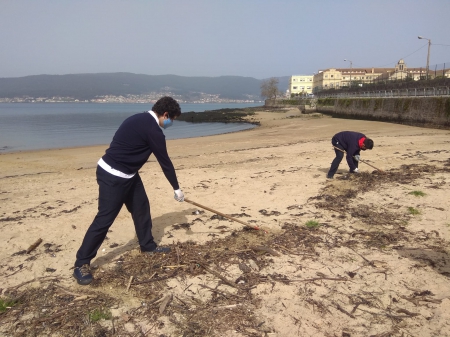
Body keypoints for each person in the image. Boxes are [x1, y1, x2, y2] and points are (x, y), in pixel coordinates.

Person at [73, 96, 185, 285]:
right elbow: (165, 162)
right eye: (171, 119)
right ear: (165, 114)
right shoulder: (153, 131)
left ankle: (147, 246)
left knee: (141, 208)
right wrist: (177, 188)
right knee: (105, 219)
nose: (171, 123)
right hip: (113, 176)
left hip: (129, 174)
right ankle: (81, 263)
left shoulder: (137, 118)